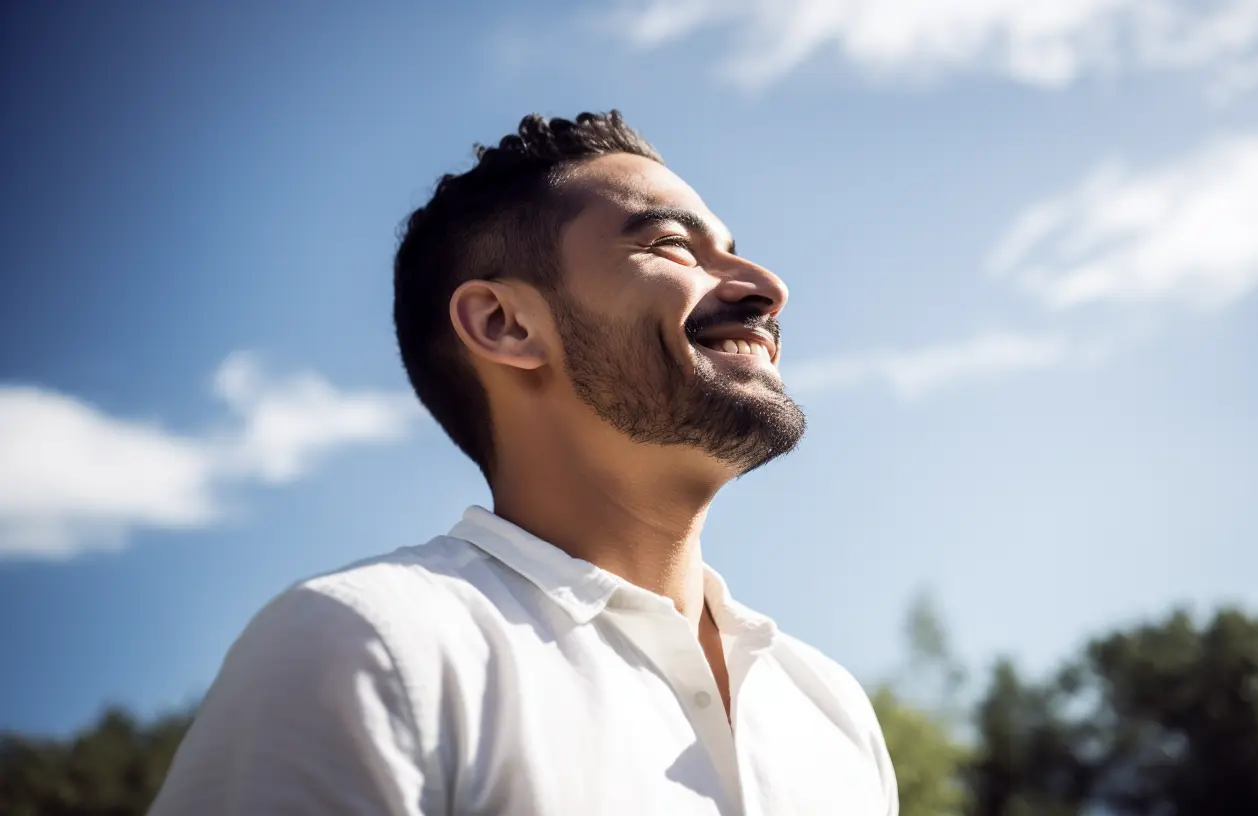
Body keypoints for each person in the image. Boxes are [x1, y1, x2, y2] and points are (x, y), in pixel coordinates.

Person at [150, 110, 898, 815]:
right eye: (673, 245)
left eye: (731, 249)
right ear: (505, 324)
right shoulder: (368, 647)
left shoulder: (828, 711)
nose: (768, 287)